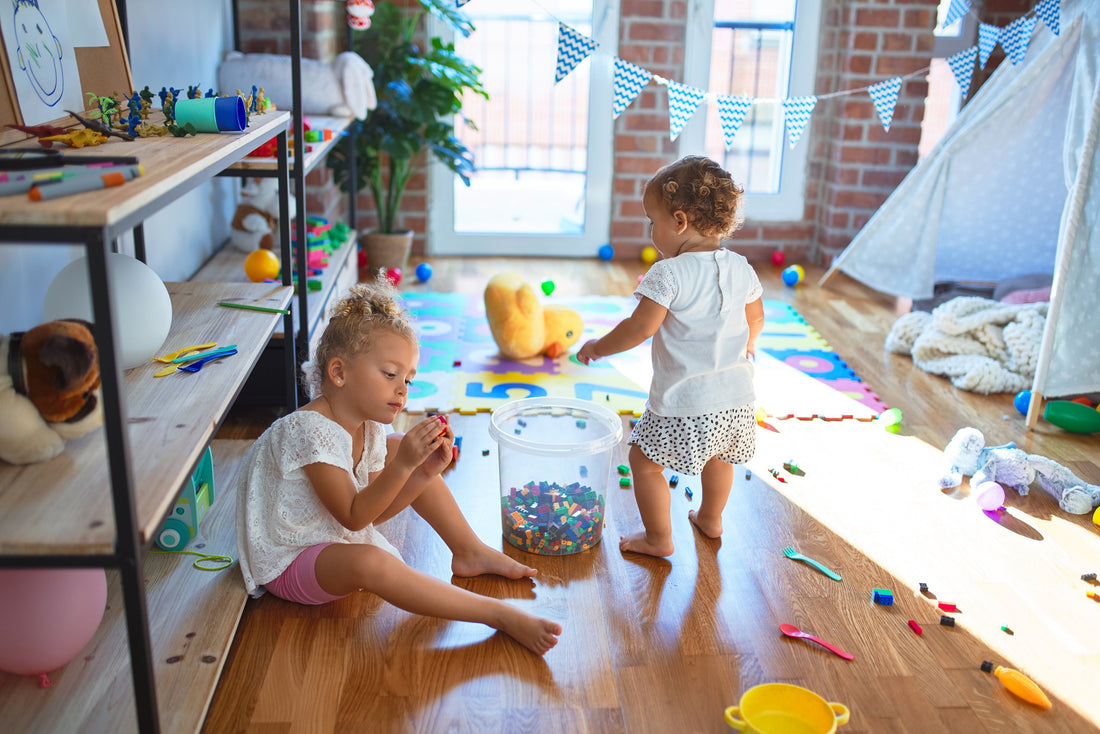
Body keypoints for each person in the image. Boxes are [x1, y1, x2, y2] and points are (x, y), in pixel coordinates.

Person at [235, 277, 561, 655]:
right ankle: (496, 615)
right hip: (291, 557)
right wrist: (406, 466)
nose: (403, 389)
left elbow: (377, 511)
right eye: (390, 375)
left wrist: (422, 471)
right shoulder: (307, 429)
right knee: (372, 561)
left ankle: (469, 550)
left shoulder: (369, 428)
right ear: (338, 373)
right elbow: (355, 518)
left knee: (400, 451)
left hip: (332, 536)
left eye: (408, 378)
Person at [578, 156, 765, 557]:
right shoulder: (742, 268)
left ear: (679, 221)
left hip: (683, 402)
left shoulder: (668, 273)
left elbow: (639, 328)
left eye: (652, 221)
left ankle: (659, 539)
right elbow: (757, 317)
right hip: (736, 401)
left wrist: (597, 347)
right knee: (720, 458)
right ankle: (711, 519)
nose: (651, 233)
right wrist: (748, 345)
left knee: (644, 463)